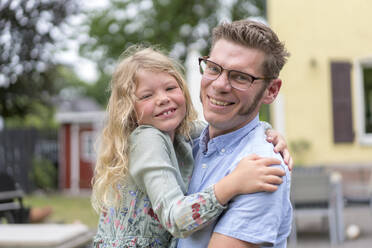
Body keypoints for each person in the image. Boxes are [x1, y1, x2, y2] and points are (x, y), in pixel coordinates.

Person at [91, 46, 291, 247]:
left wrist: (266, 132)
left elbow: (225, 128)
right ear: (129, 110)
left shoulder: (180, 132)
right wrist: (233, 183)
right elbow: (175, 218)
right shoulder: (147, 139)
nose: (162, 99)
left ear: (183, 90)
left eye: (170, 88)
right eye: (146, 96)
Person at [177, 19, 292, 248]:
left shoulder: (262, 168)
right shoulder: (190, 144)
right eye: (213, 68)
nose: (220, 85)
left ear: (271, 91)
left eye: (240, 76)